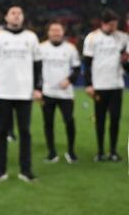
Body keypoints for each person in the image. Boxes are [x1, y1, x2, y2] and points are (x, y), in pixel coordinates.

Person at [0, 6, 42, 182]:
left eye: (19, 13)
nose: (17, 16)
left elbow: (38, 65)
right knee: (0, 132)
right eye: (13, 13)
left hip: (25, 93)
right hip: (3, 92)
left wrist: (38, 87)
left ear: (23, 17)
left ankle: (26, 171)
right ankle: (0, 171)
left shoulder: (31, 37)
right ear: (6, 17)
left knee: (25, 132)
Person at [82, 9, 127, 162]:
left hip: (116, 85)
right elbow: (86, 64)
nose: (113, 28)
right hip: (99, 85)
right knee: (100, 119)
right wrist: (88, 84)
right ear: (103, 23)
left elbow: (126, 63)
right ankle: (100, 151)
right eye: (111, 25)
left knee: (115, 118)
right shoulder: (92, 38)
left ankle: (113, 151)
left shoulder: (123, 38)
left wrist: (125, 61)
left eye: (115, 24)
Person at [39, 21, 80, 163]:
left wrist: (69, 80)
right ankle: (52, 152)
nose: (56, 33)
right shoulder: (41, 48)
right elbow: (36, 69)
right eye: (53, 30)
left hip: (66, 93)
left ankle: (71, 151)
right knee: (48, 123)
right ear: (48, 32)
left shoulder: (70, 48)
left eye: (58, 30)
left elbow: (77, 69)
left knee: (69, 121)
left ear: (63, 32)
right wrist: (38, 88)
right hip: (47, 92)